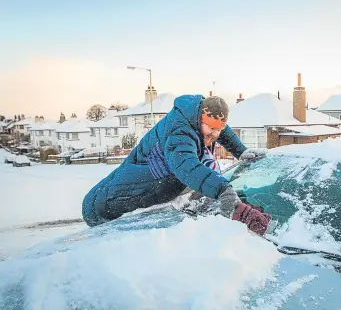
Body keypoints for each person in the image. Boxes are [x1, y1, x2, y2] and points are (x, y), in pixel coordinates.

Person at [82, 94, 272, 236]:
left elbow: (222, 130)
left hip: (160, 194)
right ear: (200, 120)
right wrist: (223, 190)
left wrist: (241, 152)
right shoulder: (179, 132)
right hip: (106, 204)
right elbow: (186, 166)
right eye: (211, 129)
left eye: (218, 130)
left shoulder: (203, 119)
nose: (215, 134)